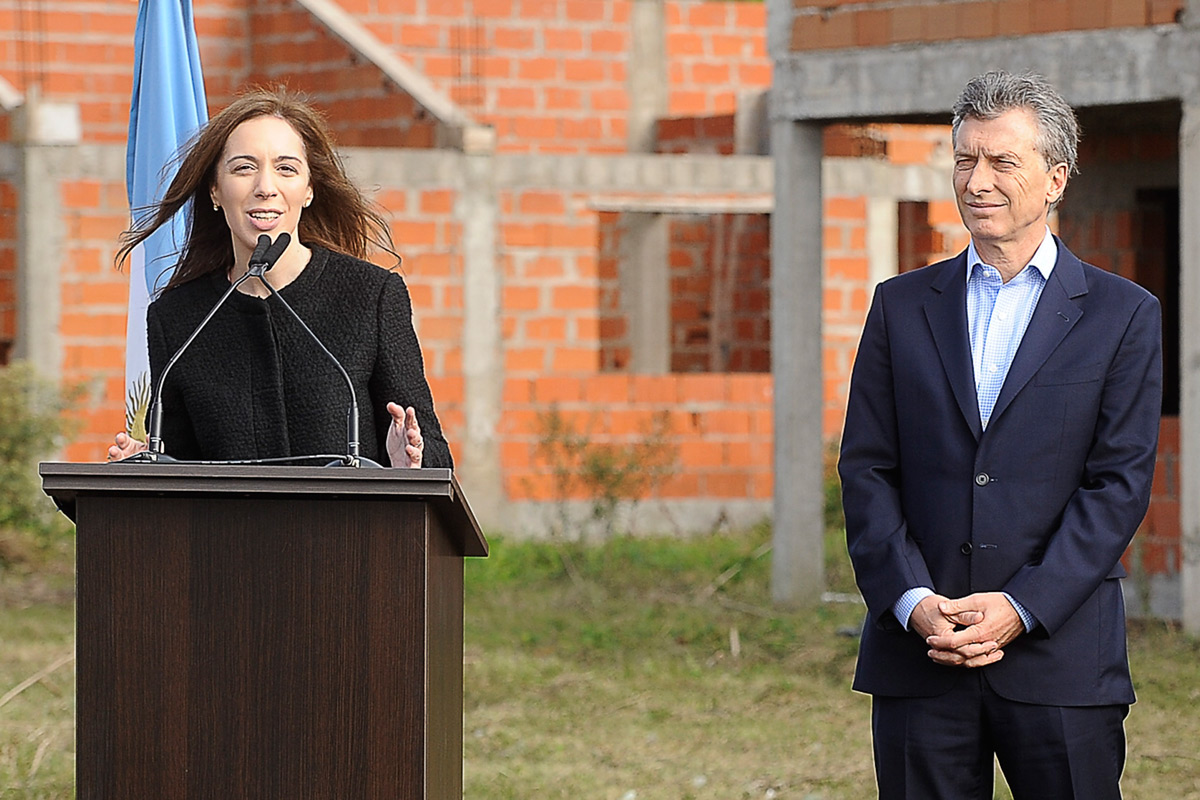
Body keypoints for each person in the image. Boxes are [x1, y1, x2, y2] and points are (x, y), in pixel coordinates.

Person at [838, 70, 1162, 799]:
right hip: (922, 655)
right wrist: (912, 600)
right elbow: (866, 471)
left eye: (1001, 162)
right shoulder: (899, 306)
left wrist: (1020, 608)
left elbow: (1118, 486)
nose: (976, 180)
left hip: (1062, 663)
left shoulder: (1123, 315)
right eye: (964, 159)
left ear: (1056, 178)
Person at [108, 88, 451, 469]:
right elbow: (185, 469)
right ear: (215, 190)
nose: (265, 187)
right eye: (243, 168)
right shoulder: (178, 318)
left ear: (308, 190)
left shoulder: (371, 297)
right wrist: (149, 467)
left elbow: (431, 447)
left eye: (286, 168)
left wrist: (410, 462)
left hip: (353, 528)